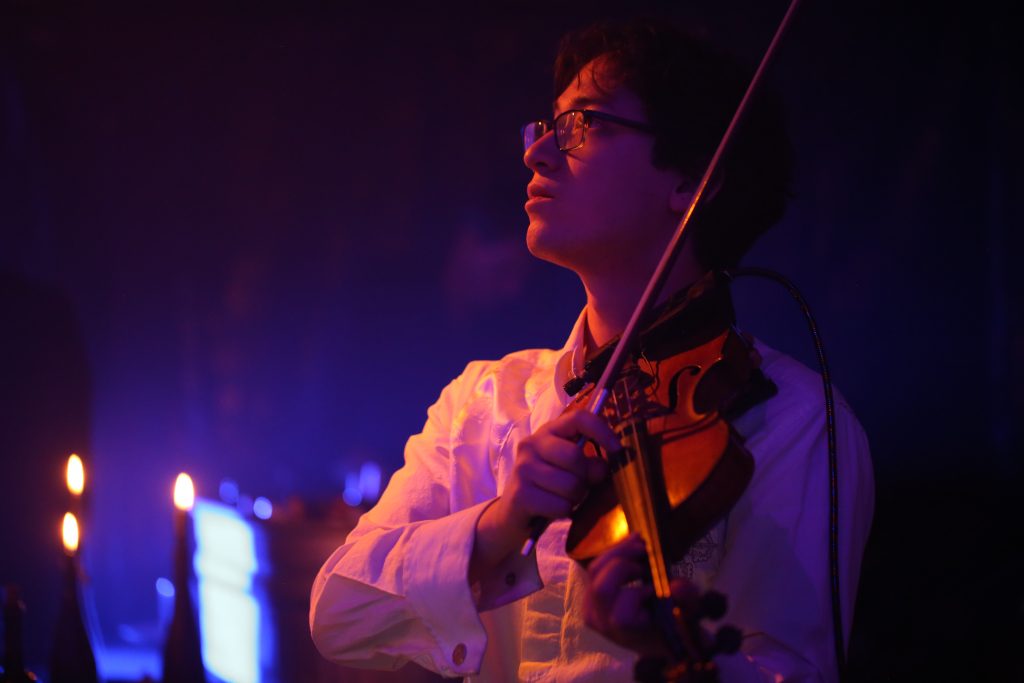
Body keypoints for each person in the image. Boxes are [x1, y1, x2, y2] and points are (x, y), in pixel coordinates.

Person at [310, 18, 873, 683]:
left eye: (584, 124)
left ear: (692, 183)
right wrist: (499, 526)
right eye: (545, 126)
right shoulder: (487, 399)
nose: (538, 153)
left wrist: (671, 650)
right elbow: (336, 612)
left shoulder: (795, 421)